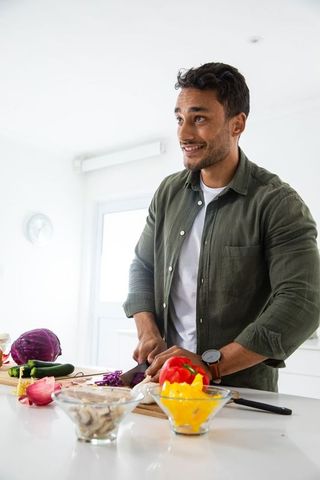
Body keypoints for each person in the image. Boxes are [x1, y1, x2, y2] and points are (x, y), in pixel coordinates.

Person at [123, 62, 320, 391]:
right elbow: (142, 265)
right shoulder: (168, 193)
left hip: (240, 392)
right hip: (163, 383)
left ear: (237, 124)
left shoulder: (277, 203)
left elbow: (303, 300)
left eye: (199, 118)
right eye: (180, 118)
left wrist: (211, 365)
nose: (184, 134)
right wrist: (148, 330)